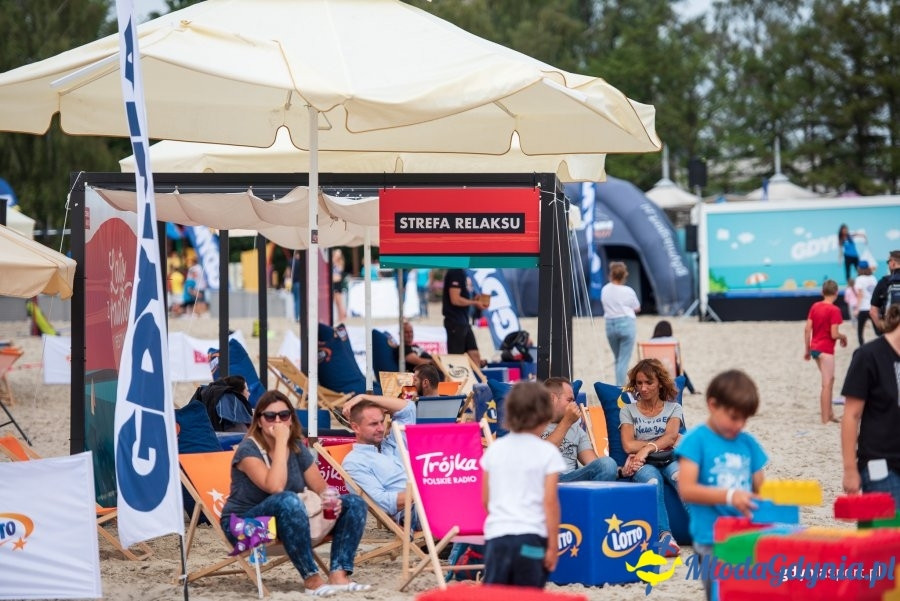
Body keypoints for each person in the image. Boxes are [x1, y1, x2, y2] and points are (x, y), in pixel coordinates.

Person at [220, 391, 369, 597]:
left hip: (290, 522)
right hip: (246, 528)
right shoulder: (248, 450)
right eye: (270, 416)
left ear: (291, 417)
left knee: (353, 502)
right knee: (287, 499)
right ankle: (312, 580)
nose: (278, 421)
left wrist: (329, 498)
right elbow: (276, 487)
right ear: (259, 421)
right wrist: (281, 442)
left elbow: (320, 486)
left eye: (284, 415)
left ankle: (339, 575)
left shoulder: (296, 446)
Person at [676, 370, 768, 601]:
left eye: (745, 419)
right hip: (710, 538)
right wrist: (729, 496)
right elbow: (686, 490)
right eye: (734, 417)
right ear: (713, 405)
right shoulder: (695, 440)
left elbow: (762, 490)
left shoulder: (748, 443)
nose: (739, 425)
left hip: (745, 535)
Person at [480, 381, 565, 588]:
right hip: (531, 538)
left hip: (497, 538)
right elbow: (550, 503)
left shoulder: (495, 449)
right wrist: (553, 546)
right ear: (545, 415)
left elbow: (485, 500)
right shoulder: (547, 452)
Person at [618, 359, 685, 557]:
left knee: (681, 478)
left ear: (660, 383)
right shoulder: (628, 410)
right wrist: (661, 442)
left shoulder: (673, 408)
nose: (643, 388)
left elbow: (672, 436)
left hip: (667, 458)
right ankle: (665, 537)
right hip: (643, 464)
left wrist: (647, 448)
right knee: (653, 481)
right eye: (639, 383)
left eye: (649, 383)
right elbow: (628, 445)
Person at [840, 304, 900, 508]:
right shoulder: (868, 356)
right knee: (886, 537)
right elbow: (851, 415)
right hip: (880, 464)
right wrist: (850, 470)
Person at [342, 394, 416, 525]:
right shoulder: (355, 462)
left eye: (382, 421)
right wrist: (427, 492)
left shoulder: (394, 442)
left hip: (432, 499)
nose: (381, 428)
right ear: (355, 427)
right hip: (413, 510)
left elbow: (408, 408)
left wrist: (364, 397)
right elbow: (383, 503)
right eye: (373, 424)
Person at [540, 377, 618, 484]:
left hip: (570, 481)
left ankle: (590, 499)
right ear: (551, 398)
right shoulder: (532, 422)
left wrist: (619, 471)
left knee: (608, 464)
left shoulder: (575, 427)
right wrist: (567, 422)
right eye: (569, 400)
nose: (573, 405)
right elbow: (540, 456)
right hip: (544, 479)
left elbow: (596, 464)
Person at [804, 279, 848, 423]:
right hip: (826, 349)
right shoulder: (834, 310)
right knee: (827, 384)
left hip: (815, 348)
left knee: (830, 380)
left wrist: (807, 348)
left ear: (823, 292)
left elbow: (807, 329)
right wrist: (843, 336)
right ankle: (825, 419)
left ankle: (830, 414)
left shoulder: (815, 306)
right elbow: (834, 334)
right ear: (836, 293)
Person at [601, 261, 641, 386]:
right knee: (623, 360)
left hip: (610, 324)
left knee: (618, 359)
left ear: (611, 274)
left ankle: (619, 384)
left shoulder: (605, 289)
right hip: (626, 323)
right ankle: (619, 387)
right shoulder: (628, 291)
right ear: (624, 275)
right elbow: (637, 307)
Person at [442, 268, 489, 367]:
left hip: (463, 321)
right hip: (455, 320)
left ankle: (477, 380)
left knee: (475, 356)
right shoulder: (456, 272)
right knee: (456, 359)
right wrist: (475, 302)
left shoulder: (462, 273)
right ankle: (458, 381)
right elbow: (455, 299)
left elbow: (458, 297)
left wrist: (473, 299)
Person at [650, 319, 696, 394]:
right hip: (670, 369)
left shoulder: (651, 342)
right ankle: (692, 390)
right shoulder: (673, 341)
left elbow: (648, 358)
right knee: (681, 370)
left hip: (653, 369)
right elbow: (677, 357)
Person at [869, 250, 900, 333]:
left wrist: (882, 329)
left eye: (888, 262)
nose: (888, 264)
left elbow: (873, 311)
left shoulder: (884, 282)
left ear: (893, 263)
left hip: (891, 329)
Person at [855, 260, 879, 345]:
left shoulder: (859, 279)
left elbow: (860, 295)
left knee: (860, 331)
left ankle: (861, 347)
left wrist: (857, 309)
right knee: (877, 330)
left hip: (863, 308)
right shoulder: (873, 278)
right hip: (873, 307)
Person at [331, 248, 348, 322]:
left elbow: (338, 275)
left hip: (337, 284)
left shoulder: (340, 263)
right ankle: (340, 316)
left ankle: (342, 316)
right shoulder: (333, 262)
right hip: (333, 283)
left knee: (339, 302)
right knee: (334, 302)